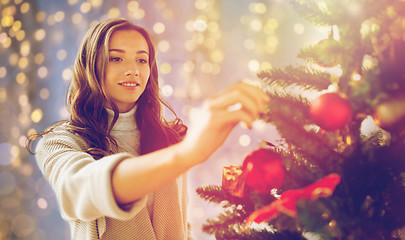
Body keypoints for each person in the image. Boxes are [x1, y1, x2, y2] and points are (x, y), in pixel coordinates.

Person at [27, 18, 269, 240]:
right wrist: (188, 153)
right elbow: (80, 190)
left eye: (141, 59)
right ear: (91, 66)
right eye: (116, 58)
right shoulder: (59, 142)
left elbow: (182, 228)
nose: (133, 70)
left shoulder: (170, 138)